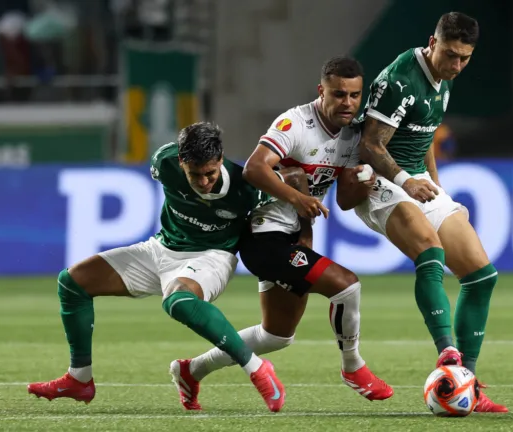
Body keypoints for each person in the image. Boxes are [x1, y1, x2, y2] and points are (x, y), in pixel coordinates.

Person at [27, 122, 306, 413]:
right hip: (161, 248)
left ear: (220, 160)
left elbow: (296, 177)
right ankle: (79, 378)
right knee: (73, 281)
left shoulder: (248, 186)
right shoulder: (163, 162)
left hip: (212, 256)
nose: (204, 182)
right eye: (195, 174)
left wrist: (305, 230)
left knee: (178, 301)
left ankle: (257, 368)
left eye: (210, 173)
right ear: (181, 162)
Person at [168, 57, 393, 410]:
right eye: (339, 94)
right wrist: (299, 199)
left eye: (354, 95)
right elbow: (255, 169)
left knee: (276, 335)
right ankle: (353, 366)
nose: (348, 103)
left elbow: (347, 201)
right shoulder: (296, 123)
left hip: (290, 237)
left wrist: (366, 179)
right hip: (263, 236)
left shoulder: (352, 137)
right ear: (322, 91)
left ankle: (191, 370)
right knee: (347, 285)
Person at [338, 11, 507, 412]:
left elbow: (424, 131)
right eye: (450, 55)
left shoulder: (442, 82)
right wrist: (406, 181)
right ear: (432, 43)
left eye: (465, 58)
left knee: (482, 276)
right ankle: (448, 354)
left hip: (414, 179)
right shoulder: (400, 80)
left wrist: (434, 179)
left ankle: (468, 383)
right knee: (430, 252)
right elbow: (370, 146)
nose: (457, 65)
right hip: (378, 183)